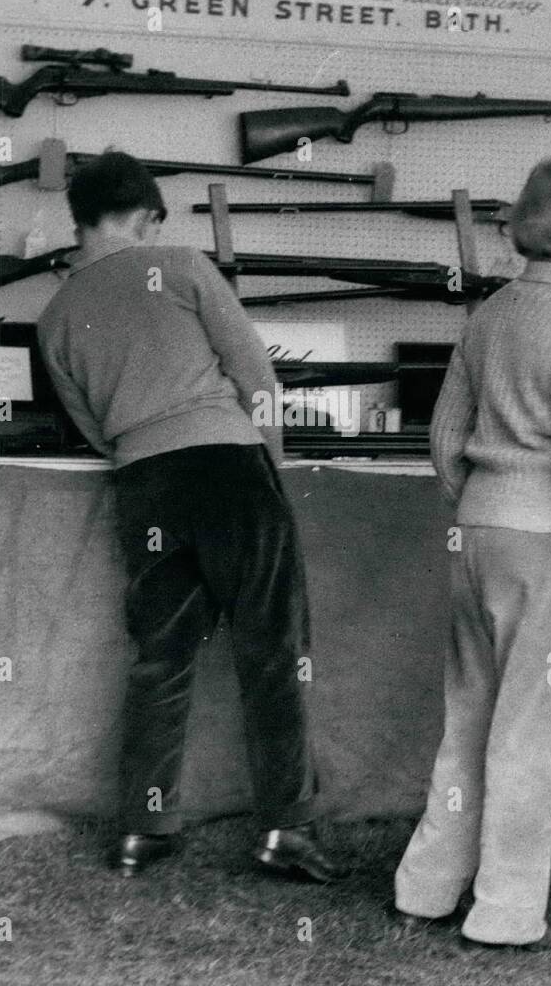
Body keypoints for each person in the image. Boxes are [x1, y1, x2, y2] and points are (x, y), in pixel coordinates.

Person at [37, 152, 345, 882]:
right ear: (146, 216)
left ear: (80, 219)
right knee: (271, 652)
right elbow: (255, 375)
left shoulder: (53, 317)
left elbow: (91, 425)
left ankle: (142, 832)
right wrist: (268, 463)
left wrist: (143, 448)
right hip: (227, 466)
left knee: (161, 657)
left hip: (143, 483)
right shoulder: (181, 266)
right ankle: (284, 831)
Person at [394, 157, 551, 952]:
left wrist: (478, 507)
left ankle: (425, 891)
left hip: (478, 537)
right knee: (537, 738)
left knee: (467, 724)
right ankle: (504, 916)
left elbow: (442, 439)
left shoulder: (490, 315)